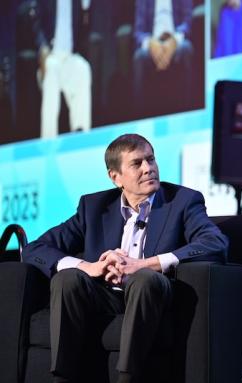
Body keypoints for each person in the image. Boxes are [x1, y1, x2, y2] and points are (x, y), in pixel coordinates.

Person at [22, 133, 229, 382]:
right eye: (137, 163)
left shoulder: (183, 201)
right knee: (67, 279)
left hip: (152, 295)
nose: (149, 168)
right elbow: (35, 248)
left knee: (144, 279)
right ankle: (63, 378)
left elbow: (215, 243)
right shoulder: (93, 207)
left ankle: (128, 377)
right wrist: (88, 267)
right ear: (115, 177)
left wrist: (144, 264)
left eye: (151, 160)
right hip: (104, 295)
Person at [34, 0, 93, 139]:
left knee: (83, 68)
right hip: (50, 56)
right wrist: (42, 48)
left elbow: (83, 31)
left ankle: (81, 135)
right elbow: (36, 24)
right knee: (51, 68)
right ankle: (48, 139)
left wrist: (85, 8)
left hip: (69, 57)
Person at [133, 0, 194, 116]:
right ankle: (139, 116)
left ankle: (188, 111)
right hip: (153, 43)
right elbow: (138, 32)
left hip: (175, 39)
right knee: (139, 56)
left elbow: (187, 22)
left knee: (186, 48)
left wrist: (174, 40)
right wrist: (151, 44)